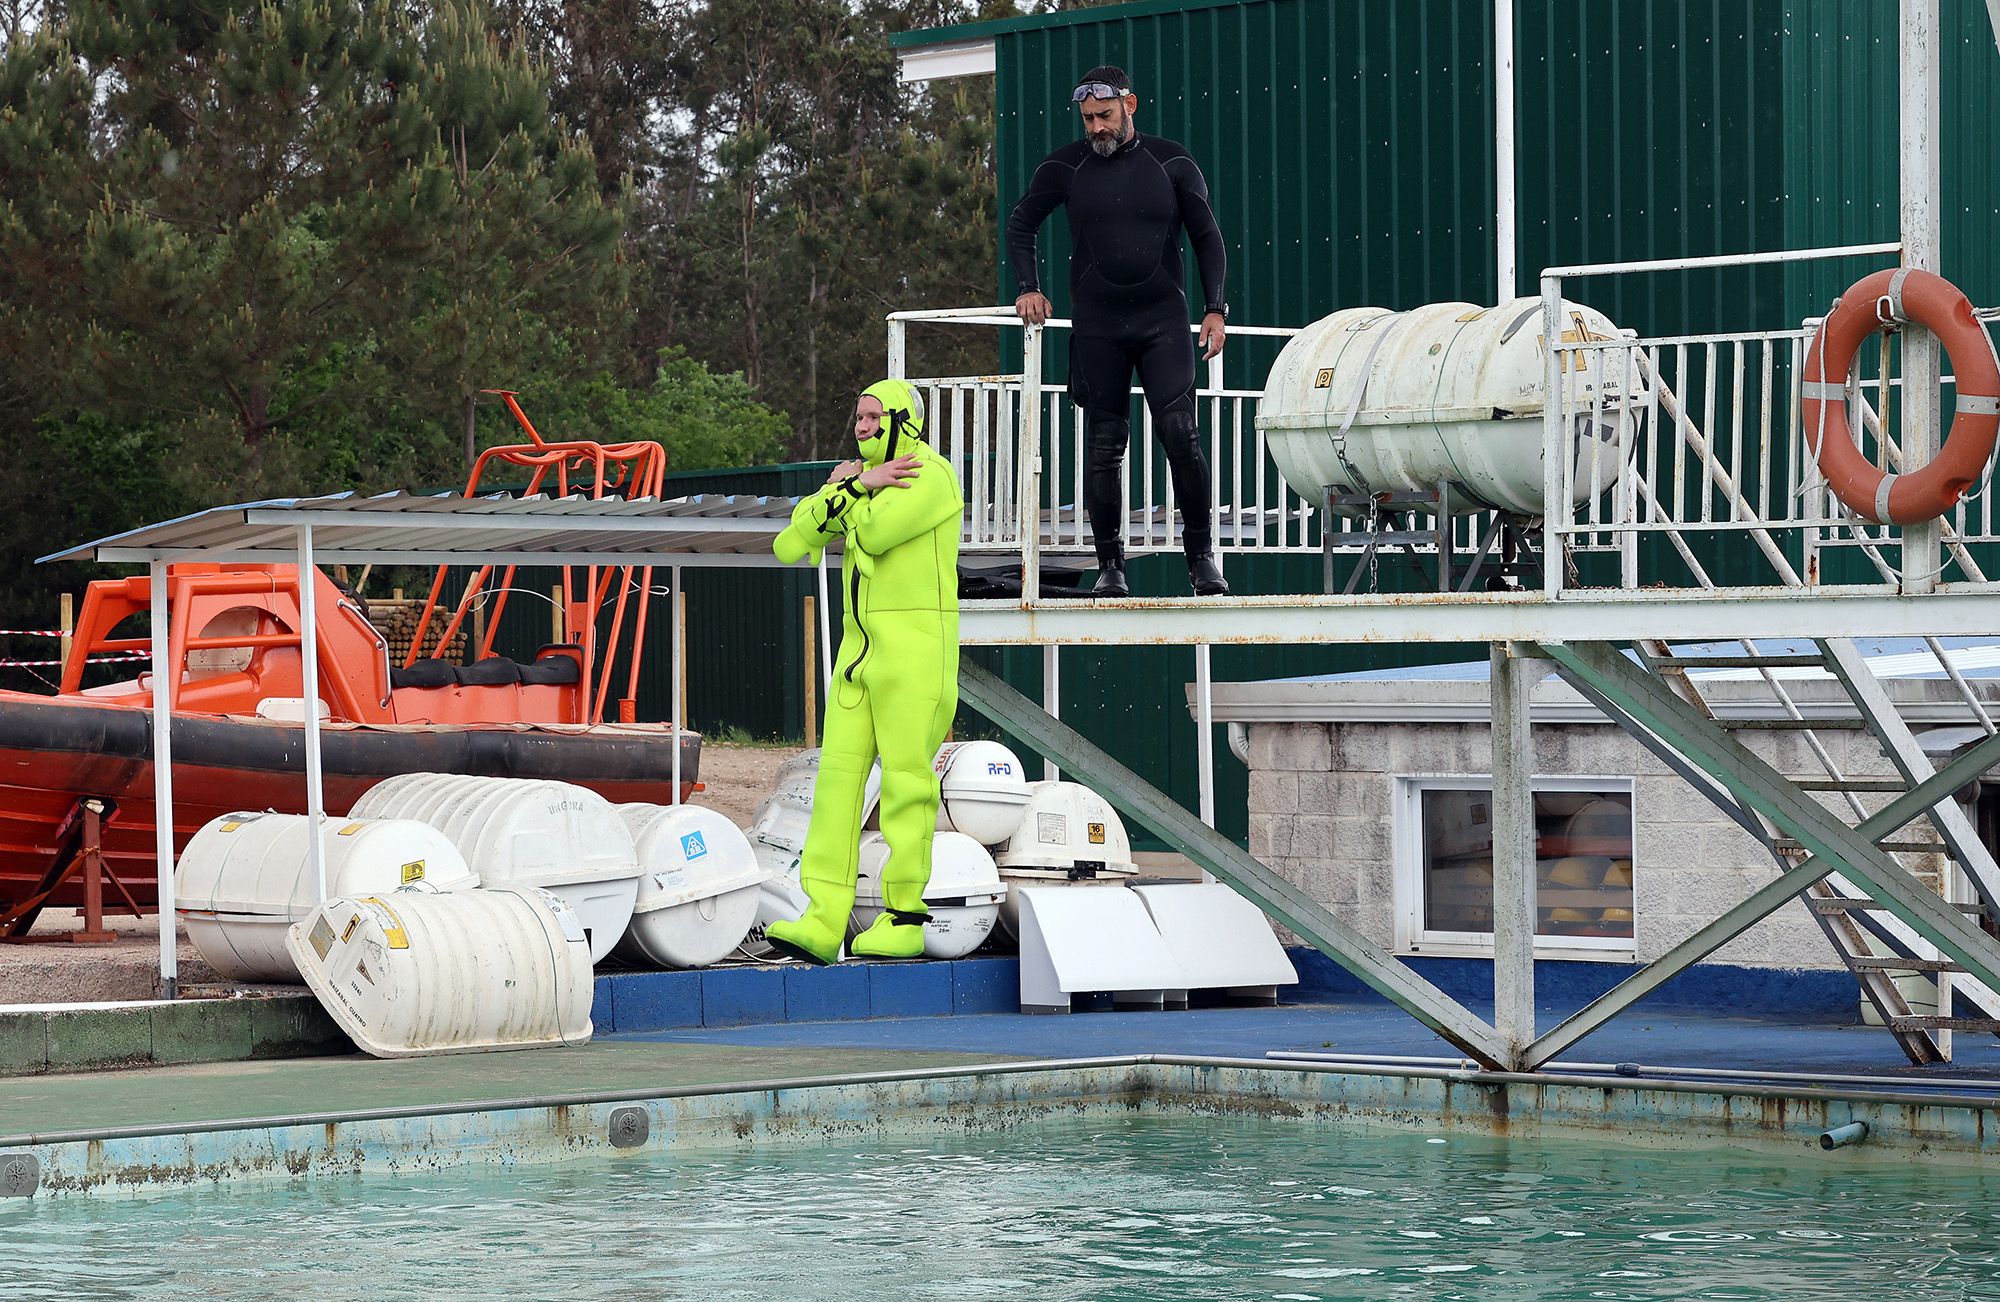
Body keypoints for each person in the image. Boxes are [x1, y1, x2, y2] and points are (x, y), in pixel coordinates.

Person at [1007, 63, 1231, 598]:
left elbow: (1207, 238)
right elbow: (1022, 223)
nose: (1096, 128)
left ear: (1130, 105)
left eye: (1104, 115)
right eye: (1087, 119)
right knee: (1104, 446)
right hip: (1098, 325)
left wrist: (1215, 309)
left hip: (1163, 321)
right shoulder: (1067, 166)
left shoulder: (1172, 160)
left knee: (1181, 435)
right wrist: (1027, 287)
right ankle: (1111, 566)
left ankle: (1201, 559)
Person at [765, 379, 963, 964]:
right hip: (858, 658)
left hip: (914, 656)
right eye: (858, 416)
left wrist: (844, 492)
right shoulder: (865, 480)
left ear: (905, 419)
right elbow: (789, 541)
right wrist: (855, 485)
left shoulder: (931, 475)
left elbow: (872, 532)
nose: (863, 426)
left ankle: (904, 917)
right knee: (835, 789)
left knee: (906, 784)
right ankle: (823, 919)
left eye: (875, 417)